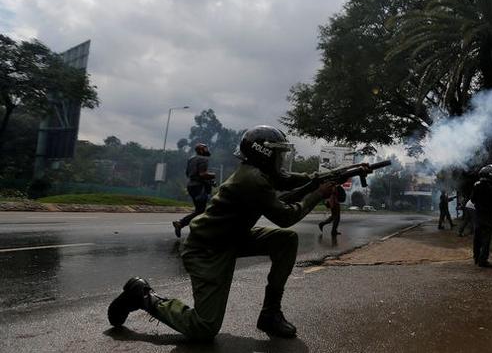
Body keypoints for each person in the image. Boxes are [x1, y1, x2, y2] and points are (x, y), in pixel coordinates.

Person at [108, 125, 360, 340]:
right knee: (204, 328)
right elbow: (285, 217)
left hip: (231, 239)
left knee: (286, 242)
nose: (281, 161)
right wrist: (318, 193)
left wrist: (328, 176)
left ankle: (270, 314)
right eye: (278, 156)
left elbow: (288, 179)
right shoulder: (252, 180)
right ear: (265, 155)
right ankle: (142, 296)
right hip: (206, 249)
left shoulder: (258, 172)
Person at [172, 143, 215, 238]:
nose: (207, 150)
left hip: (191, 186)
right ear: (200, 150)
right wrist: (212, 175)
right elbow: (202, 174)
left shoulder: (191, 159)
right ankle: (181, 223)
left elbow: (188, 173)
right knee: (201, 210)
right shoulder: (204, 159)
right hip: (199, 188)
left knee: (200, 210)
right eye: (205, 148)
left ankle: (197, 228)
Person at [470, 165, 492, 267]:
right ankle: (483, 260)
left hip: (478, 215)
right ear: (491, 175)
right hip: (489, 215)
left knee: (477, 237)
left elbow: (472, 200)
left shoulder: (476, 185)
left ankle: (476, 257)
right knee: (486, 239)